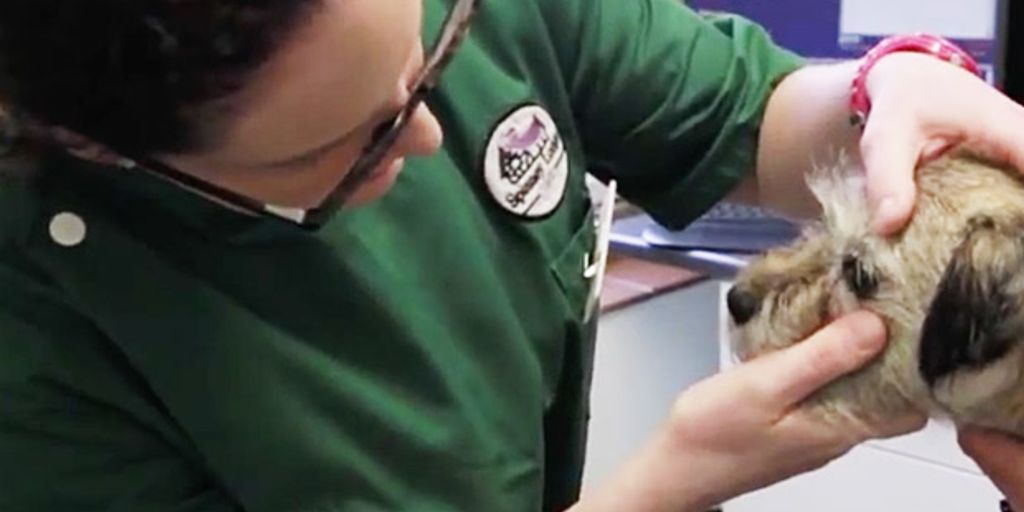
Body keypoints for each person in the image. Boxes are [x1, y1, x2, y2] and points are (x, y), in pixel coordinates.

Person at [0, 0, 1021, 510]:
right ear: (98, 149)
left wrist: (883, 95)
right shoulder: (39, 337)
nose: (433, 136)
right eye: (346, 142)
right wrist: (661, 488)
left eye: (431, 63)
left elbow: (741, 112)